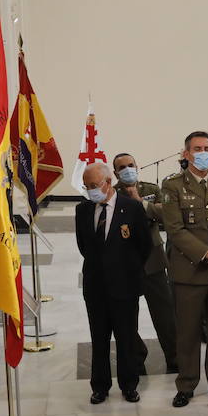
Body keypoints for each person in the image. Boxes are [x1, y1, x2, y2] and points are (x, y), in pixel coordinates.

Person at [160, 130, 208, 408]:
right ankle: (187, 383)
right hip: (189, 271)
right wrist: (206, 254)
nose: (203, 153)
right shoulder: (172, 185)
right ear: (186, 153)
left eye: (207, 148)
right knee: (188, 331)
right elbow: (175, 230)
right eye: (197, 149)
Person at [76, 162, 153, 403]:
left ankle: (129, 384)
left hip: (125, 286)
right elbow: (84, 247)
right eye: (87, 187)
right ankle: (100, 386)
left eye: (95, 185)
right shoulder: (83, 210)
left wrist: (126, 269)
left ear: (108, 183)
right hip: (95, 286)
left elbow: (144, 246)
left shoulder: (131, 208)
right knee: (98, 338)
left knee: (126, 338)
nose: (91, 191)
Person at [113, 153, 178, 373]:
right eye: (122, 167)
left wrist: (140, 204)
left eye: (131, 165)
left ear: (137, 166)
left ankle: (175, 356)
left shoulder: (151, 190)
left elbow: (166, 215)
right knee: (127, 316)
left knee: (165, 313)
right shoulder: (111, 194)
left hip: (153, 259)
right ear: (115, 173)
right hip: (125, 263)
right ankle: (136, 356)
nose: (127, 169)